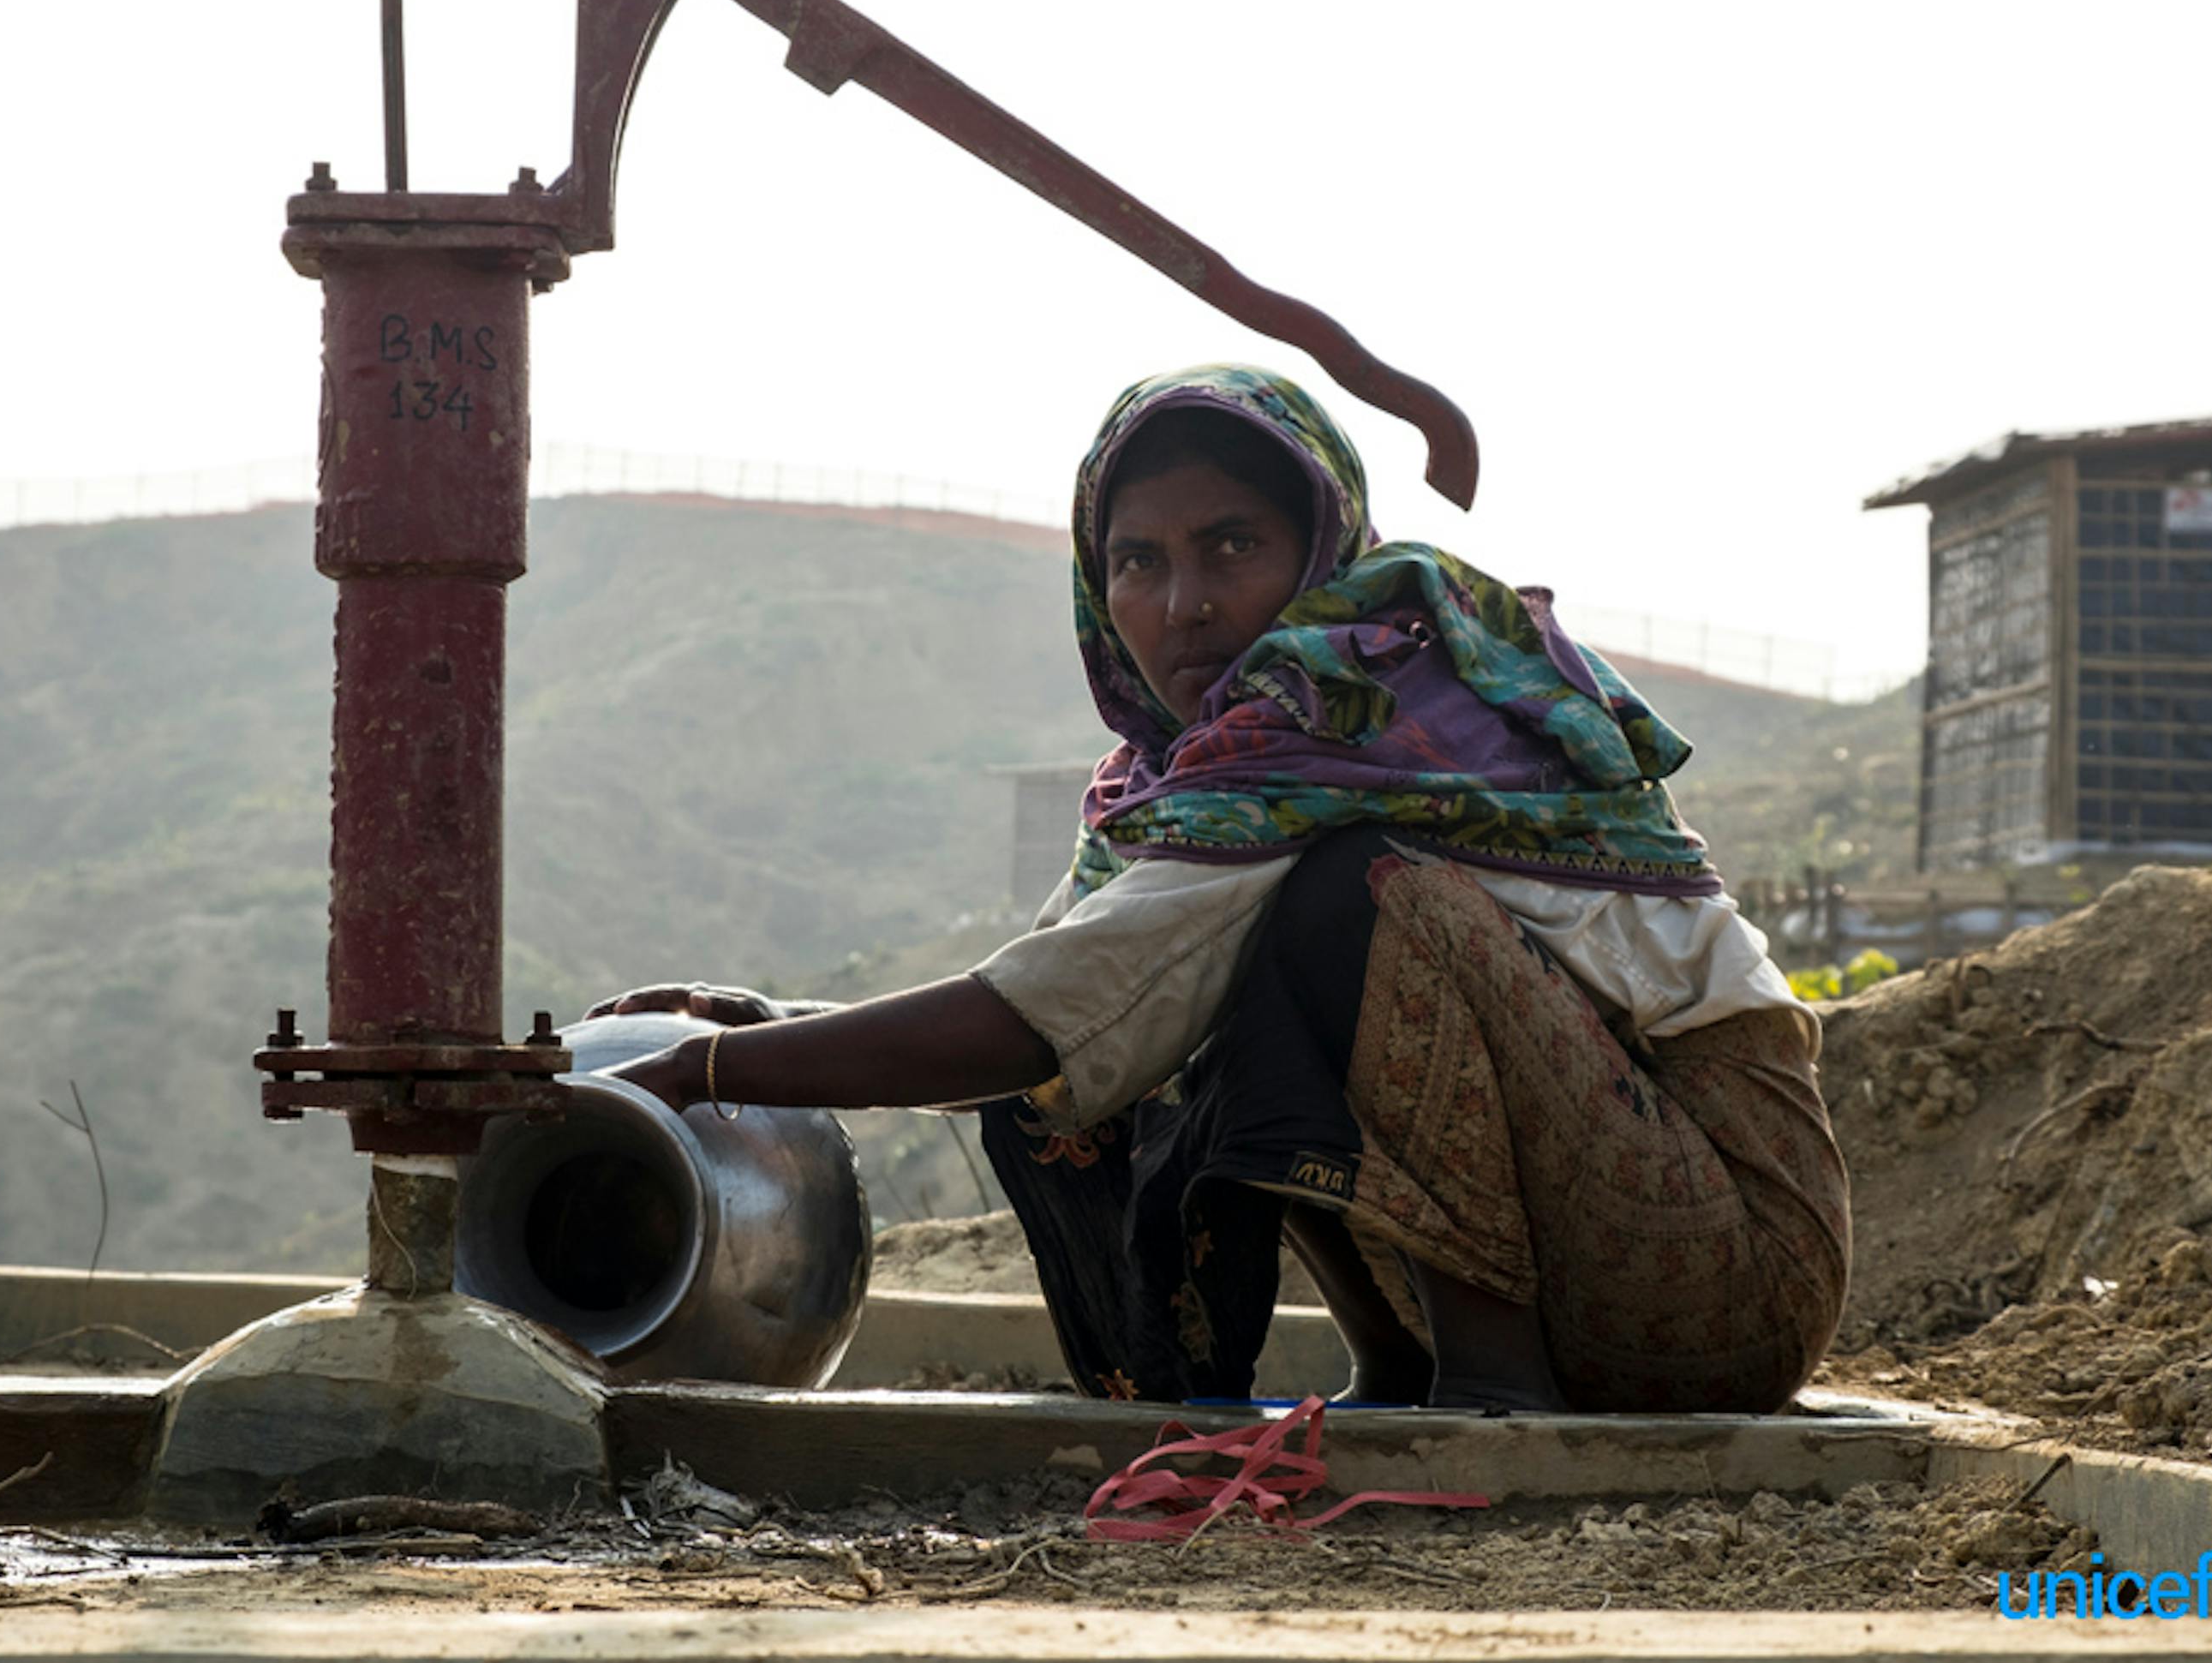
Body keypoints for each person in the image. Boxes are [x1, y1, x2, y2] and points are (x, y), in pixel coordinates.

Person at [589, 364, 1849, 1413]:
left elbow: (1039, 1009)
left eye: (1232, 546)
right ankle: (1409, 1362)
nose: (1182, 604)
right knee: (1173, 999)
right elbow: (1073, 997)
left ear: (1323, 543)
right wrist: (760, 1028)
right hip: (1596, 1272)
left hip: (1724, 1272)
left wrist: (705, 1074)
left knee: (1358, 894)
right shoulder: (1210, 788)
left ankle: (1489, 1388)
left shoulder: (1368, 711)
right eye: (1136, 561)